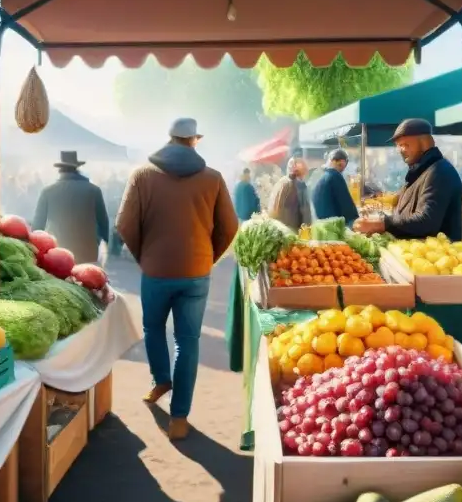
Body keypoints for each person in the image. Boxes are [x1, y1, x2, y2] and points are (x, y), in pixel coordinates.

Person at [116, 118, 238, 440]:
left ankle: (160, 380)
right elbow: (231, 226)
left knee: (152, 328)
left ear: (170, 138)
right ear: (194, 141)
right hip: (196, 273)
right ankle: (179, 416)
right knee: (188, 341)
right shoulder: (213, 178)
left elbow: (124, 224)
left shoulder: (142, 175)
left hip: (155, 271)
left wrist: (146, 254)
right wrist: (207, 256)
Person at [353, 118, 462, 240]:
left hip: (438, 256)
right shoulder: (421, 171)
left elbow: (426, 222)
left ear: (426, 142)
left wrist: (383, 223)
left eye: (405, 145)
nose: (401, 151)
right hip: (416, 254)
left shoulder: (439, 171)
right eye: (399, 146)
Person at [33, 151, 109, 265]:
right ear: (77, 169)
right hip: (87, 251)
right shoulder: (94, 190)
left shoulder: (48, 191)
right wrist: (101, 242)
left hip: (57, 252)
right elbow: (103, 223)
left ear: (60, 171)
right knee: (85, 280)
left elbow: (37, 226)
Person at [311, 148, 359, 226]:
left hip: (320, 223)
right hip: (333, 225)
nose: (342, 169)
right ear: (335, 161)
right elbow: (346, 205)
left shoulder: (319, 174)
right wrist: (356, 220)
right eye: (341, 165)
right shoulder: (335, 175)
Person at [267, 157, 312, 232]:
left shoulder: (281, 182)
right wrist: (307, 228)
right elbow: (305, 211)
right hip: (291, 228)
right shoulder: (297, 185)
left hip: (278, 227)